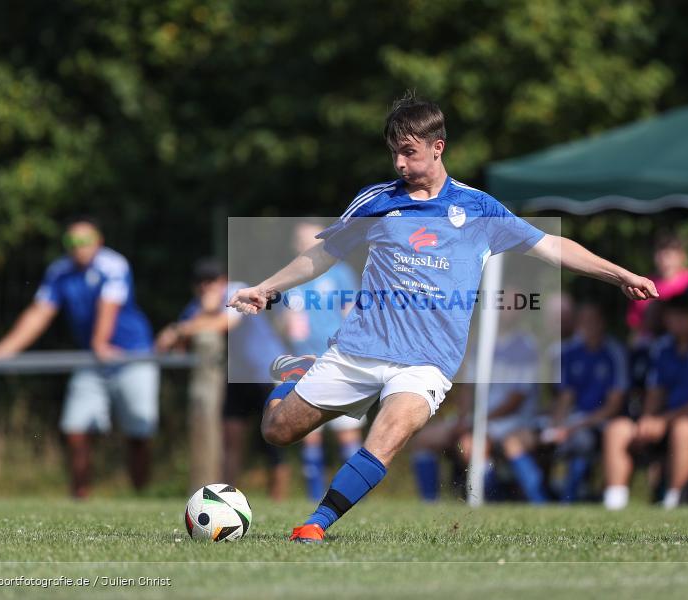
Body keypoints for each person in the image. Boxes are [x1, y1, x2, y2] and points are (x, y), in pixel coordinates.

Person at [228, 93, 657, 542]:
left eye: (408, 151)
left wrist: (620, 274)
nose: (398, 162)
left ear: (438, 147)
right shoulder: (376, 201)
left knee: (390, 433)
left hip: (426, 363)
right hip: (359, 348)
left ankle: (317, 524)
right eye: (394, 151)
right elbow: (323, 253)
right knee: (277, 431)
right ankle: (298, 374)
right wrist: (266, 287)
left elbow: (552, 247)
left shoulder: (480, 210)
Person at [0, 217, 157, 498]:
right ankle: (80, 498)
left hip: (131, 355)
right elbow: (40, 312)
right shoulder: (59, 271)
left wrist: (100, 342)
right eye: (71, 243)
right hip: (92, 358)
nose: (78, 248)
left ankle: (142, 496)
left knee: (138, 433)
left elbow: (108, 305)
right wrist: (6, 348)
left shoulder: (113, 265)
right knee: (75, 430)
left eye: (84, 241)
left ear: (98, 241)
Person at [156, 259, 291, 500]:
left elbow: (222, 323)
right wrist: (183, 331)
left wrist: (180, 328)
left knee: (273, 440)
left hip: (266, 372)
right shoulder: (197, 306)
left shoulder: (238, 290)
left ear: (223, 281)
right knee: (230, 439)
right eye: (201, 283)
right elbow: (178, 343)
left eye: (212, 282)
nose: (206, 288)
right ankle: (228, 497)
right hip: (238, 377)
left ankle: (278, 499)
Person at [414, 293, 544, 503]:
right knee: (424, 439)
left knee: (470, 445)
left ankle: (487, 502)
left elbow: (516, 399)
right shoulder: (481, 346)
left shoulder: (526, 347)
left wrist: (479, 421)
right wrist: (462, 419)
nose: (506, 310)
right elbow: (468, 388)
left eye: (512, 306)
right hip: (480, 419)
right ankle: (429, 504)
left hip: (511, 420)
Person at [602, 294, 688, 510]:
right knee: (617, 429)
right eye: (673, 316)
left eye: (683, 316)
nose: (678, 322)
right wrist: (647, 420)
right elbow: (655, 393)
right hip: (665, 419)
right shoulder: (661, 348)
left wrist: (663, 420)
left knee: (683, 430)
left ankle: (675, 500)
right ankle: (614, 502)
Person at [278, 220, 365, 501]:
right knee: (307, 433)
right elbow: (283, 322)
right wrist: (286, 324)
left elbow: (352, 313)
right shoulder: (290, 279)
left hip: (335, 361)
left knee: (347, 434)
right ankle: (314, 496)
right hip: (302, 362)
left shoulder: (339, 273)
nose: (305, 243)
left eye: (311, 238)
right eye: (300, 238)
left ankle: (353, 495)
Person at [542, 300, 627, 502]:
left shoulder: (614, 353)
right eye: (583, 321)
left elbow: (613, 405)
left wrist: (575, 426)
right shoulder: (571, 353)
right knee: (542, 438)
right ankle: (542, 497)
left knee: (580, 441)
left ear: (602, 323)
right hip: (575, 422)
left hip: (599, 423)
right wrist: (557, 424)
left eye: (592, 321)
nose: (587, 326)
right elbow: (566, 396)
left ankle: (569, 497)